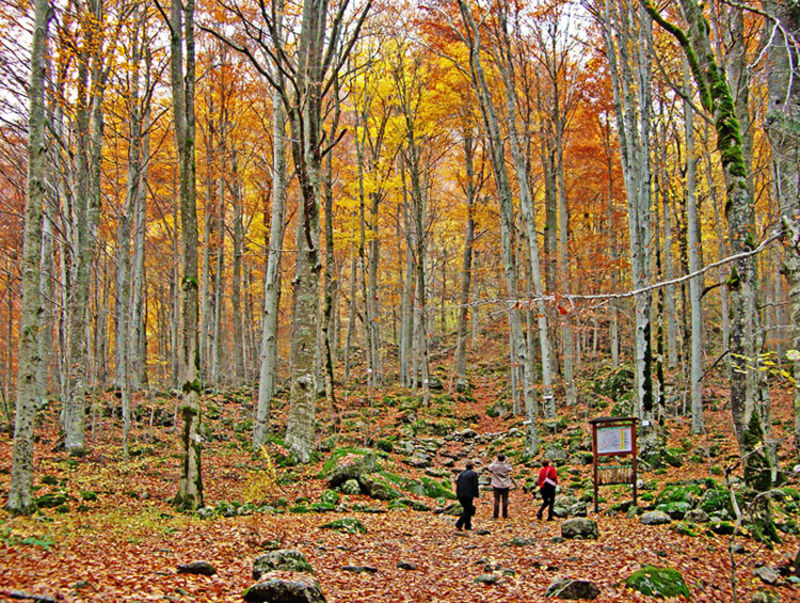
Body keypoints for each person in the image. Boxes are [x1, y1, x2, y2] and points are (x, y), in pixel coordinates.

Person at [454, 461, 480, 531]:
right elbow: (475, 486)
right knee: (468, 510)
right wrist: (476, 495)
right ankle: (459, 523)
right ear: (473, 467)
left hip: (460, 494)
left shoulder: (461, 474)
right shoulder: (473, 474)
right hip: (468, 495)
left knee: (467, 509)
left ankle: (468, 526)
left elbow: (458, 484)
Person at [487, 453, 513, 519]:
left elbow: (489, 467)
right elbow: (510, 468)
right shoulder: (506, 466)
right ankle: (505, 514)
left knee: (496, 500)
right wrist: (507, 461)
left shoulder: (495, 466)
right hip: (505, 485)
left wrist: (495, 460)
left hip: (496, 484)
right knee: (505, 500)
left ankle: (495, 515)